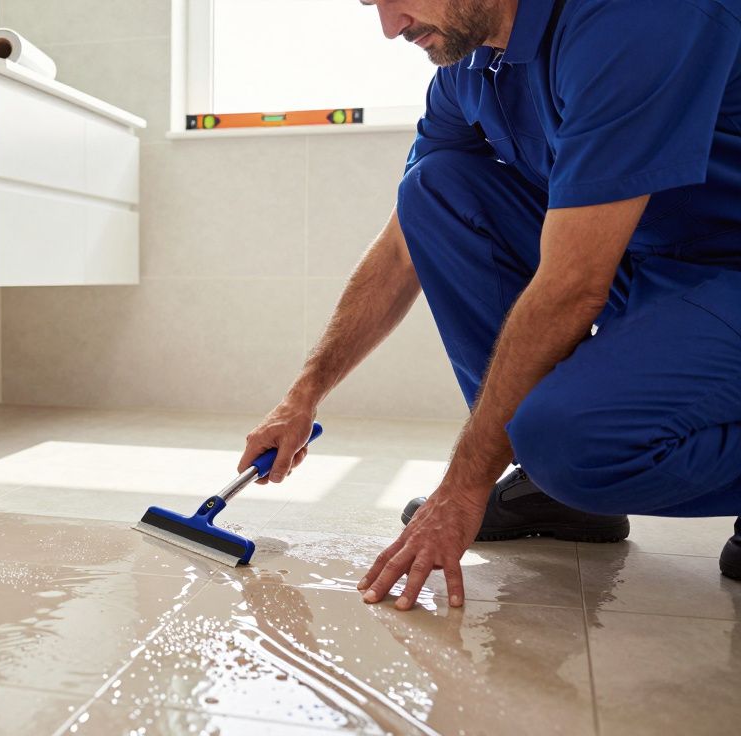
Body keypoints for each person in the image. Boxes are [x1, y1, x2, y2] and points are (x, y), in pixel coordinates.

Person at [240, 0, 741, 611]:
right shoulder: (473, 69)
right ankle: (551, 491)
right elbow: (404, 245)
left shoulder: (637, 18)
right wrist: (305, 392)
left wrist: (464, 485)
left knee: (570, 441)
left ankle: (550, 463)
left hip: (724, 267)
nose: (389, 26)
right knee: (435, 188)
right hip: (654, 259)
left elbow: (574, 284)